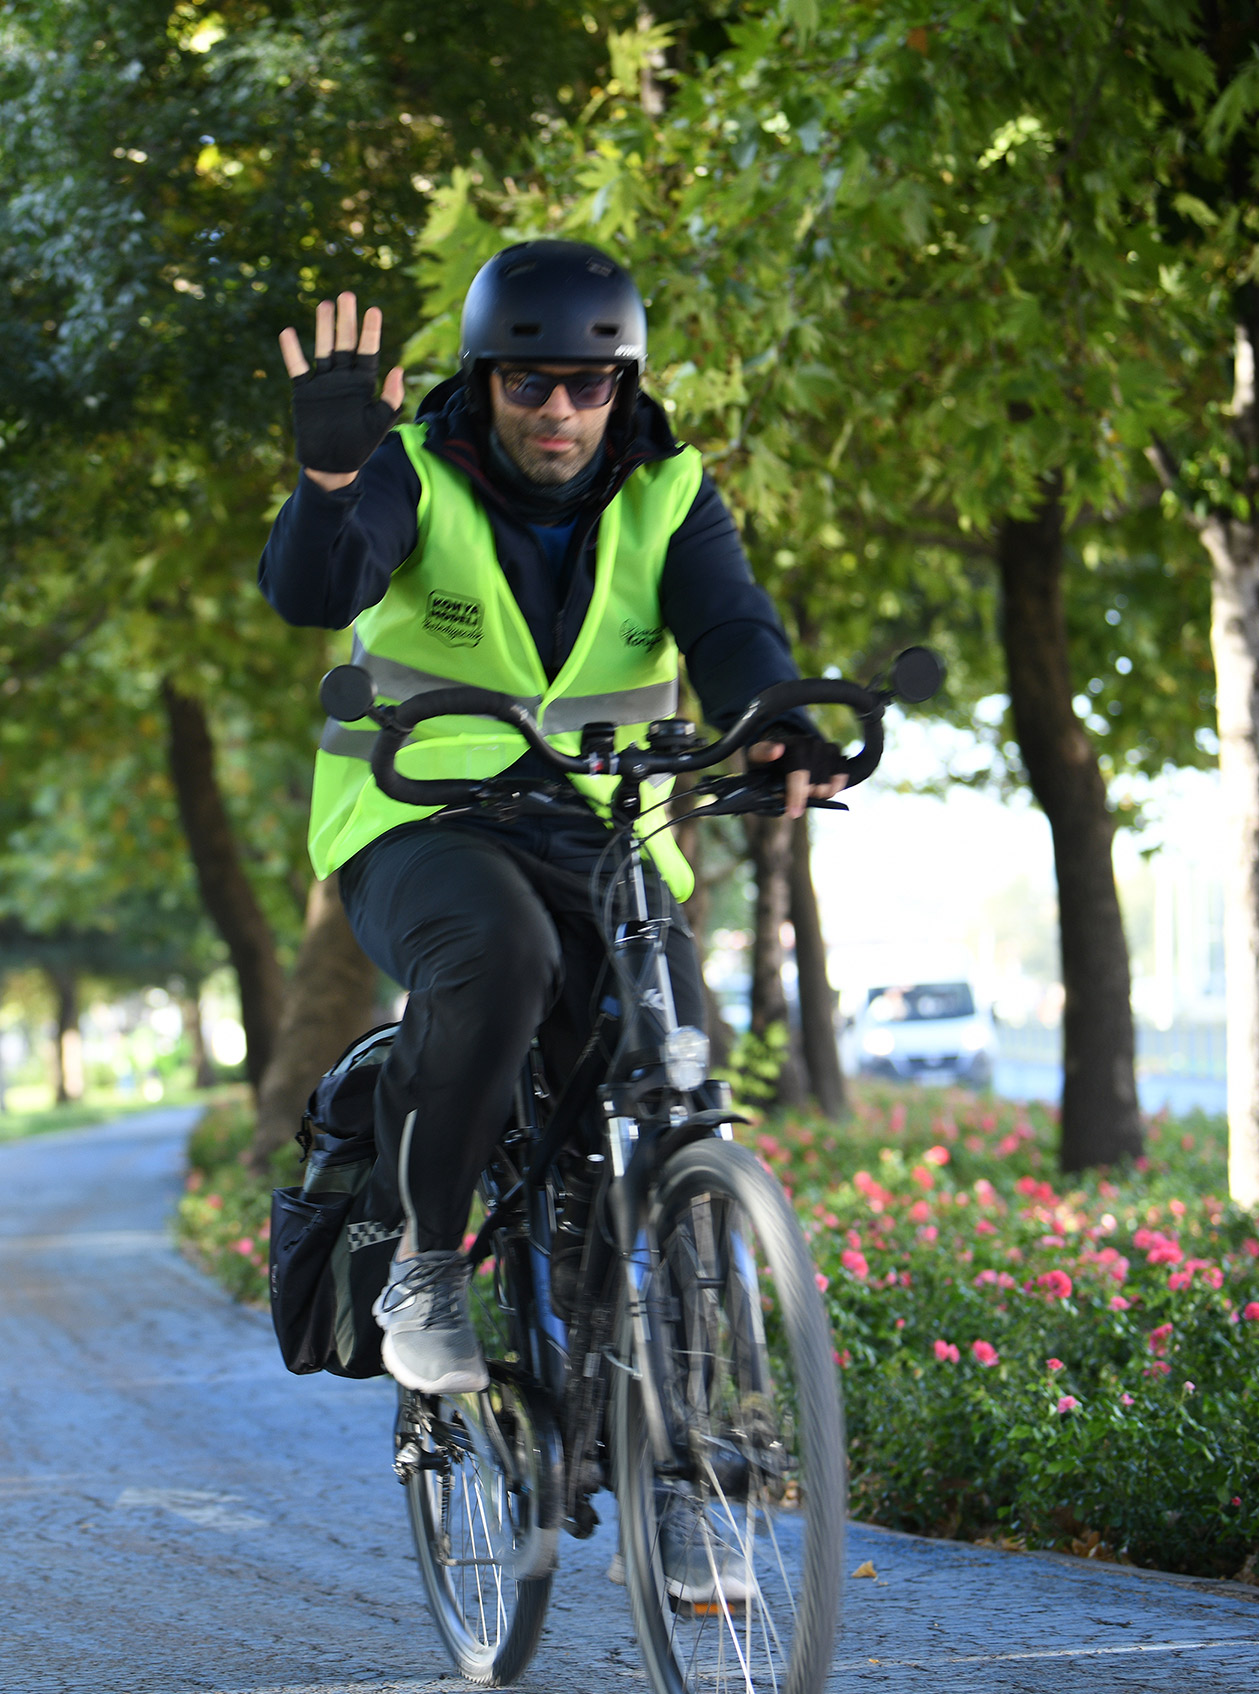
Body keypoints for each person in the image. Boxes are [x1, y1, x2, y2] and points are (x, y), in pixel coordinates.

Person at [260, 240, 845, 1397]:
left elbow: (730, 630)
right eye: (529, 384)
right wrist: (329, 489)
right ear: (484, 381)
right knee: (504, 954)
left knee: (663, 1043)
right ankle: (425, 1270)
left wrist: (775, 722)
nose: (560, 411)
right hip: (418, 818)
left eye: (590, 384)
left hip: (604, 827)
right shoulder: (411, 470)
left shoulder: (669, 492)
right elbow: (317, 589)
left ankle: (655, 1415)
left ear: (623, 386)